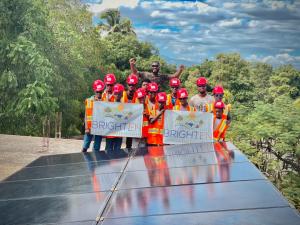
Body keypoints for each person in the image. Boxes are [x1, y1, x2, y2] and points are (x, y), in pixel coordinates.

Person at [82, 80, 105, 152]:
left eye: (100, 92)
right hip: (89, 128)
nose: (99, 93)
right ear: (94, 91)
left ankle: (93, 163)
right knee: (85, 146)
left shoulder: (105, 102)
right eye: (97, 92)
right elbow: (86, 115)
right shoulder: (89, 100)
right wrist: (86, 127)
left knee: (96, 148)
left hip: (99, 128)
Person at [105, 84, 124, 155]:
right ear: (113, 93)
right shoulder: (109, 104)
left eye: (119, 93)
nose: (117, 95)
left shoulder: (125, 106)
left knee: (117, 152)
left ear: (122, 94)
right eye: (116, 93)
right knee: (108, 152)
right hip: (110, 133)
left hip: (119, 134)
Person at [123, 74, 139, 150]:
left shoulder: (138, 95)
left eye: (133, 85)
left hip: (134, 122)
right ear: (127, 85)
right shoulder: (123, 94)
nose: (131, 86)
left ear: (136, 85)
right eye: (130, 84)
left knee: (133, 143)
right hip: (124, 120)